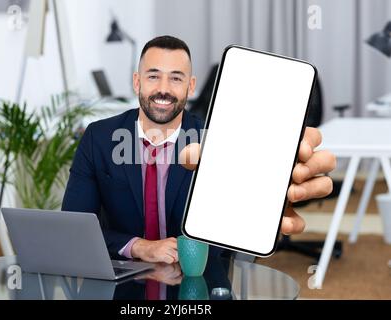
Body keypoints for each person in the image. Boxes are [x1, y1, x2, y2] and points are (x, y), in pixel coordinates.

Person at [61, 35, 336, 265]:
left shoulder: (218, 140)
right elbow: (75, 226)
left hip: (199, 279)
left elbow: (229, 237)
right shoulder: (99, 137)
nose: (163, 89)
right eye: (153, 76)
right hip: (121, 278)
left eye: (176, 79)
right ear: (137, 82)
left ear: (191, 87)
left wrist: (265, 203)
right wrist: (138, 247)